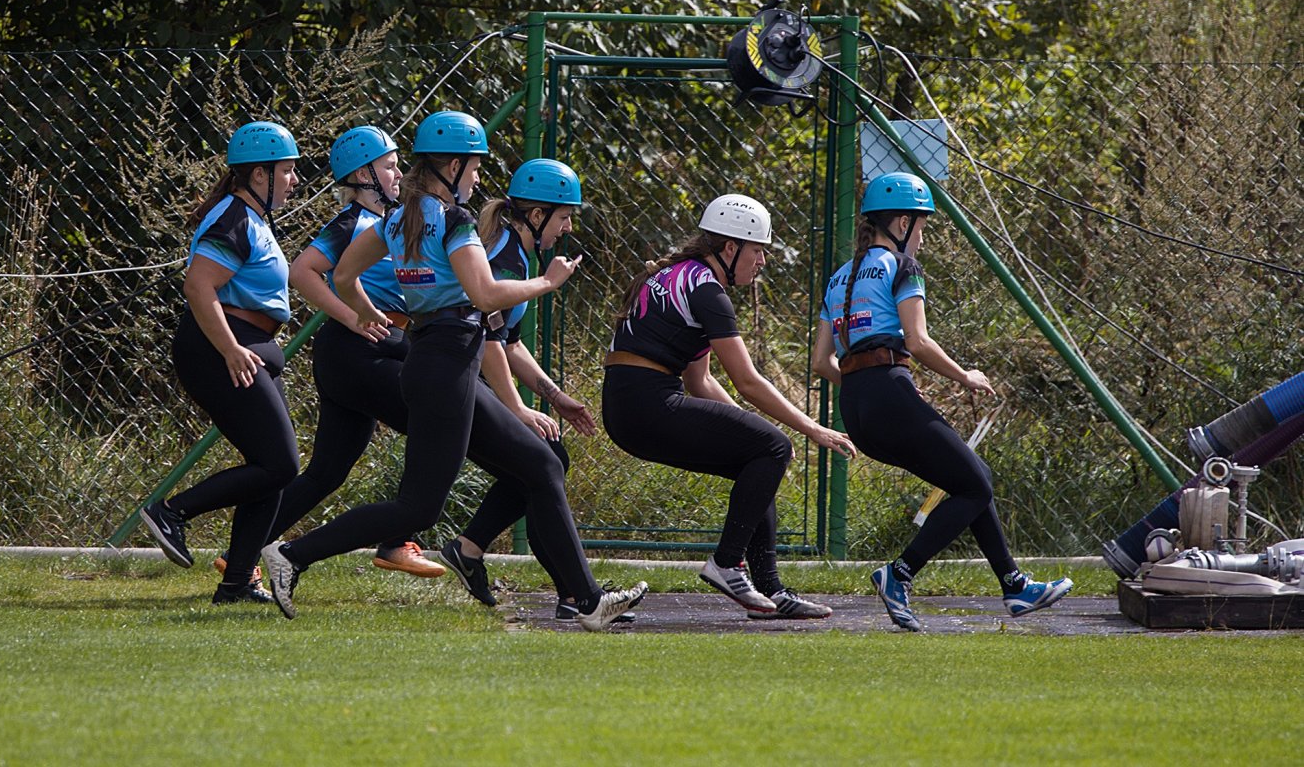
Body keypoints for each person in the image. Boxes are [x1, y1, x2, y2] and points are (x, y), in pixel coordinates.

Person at [260, 112, 647, 631]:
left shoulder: (399, 217)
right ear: (453, 165)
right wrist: (548, 283)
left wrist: (364, 313)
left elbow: (345, 274)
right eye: (475, 167)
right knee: (418, 508)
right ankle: (292, 555)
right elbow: (485, 295)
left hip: (435, 357)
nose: (478, 178)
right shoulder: (453, 218)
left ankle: (588, 601)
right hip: (447, 361)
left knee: (541, 464)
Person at [811, 171, 1072, 631]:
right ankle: (900, 574)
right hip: (889, 393)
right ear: (902, 223)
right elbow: (918, 341)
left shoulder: (838, 278)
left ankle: (1014, 585)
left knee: (974, 477)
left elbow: (820, 362)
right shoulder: (903, 267)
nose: (923, 237)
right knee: (975, 486)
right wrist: (965, 376)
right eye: (922, 226)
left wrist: (865, 385)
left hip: (857, 407)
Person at [603, 193, 857, 620]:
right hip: (647, 403)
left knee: (761, 453)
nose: (762, 262)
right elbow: (747, 381)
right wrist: (813, 429)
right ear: (730, 247)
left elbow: (700, 381)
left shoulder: (680, 275)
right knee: (771, 447)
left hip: (628, 407)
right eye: (757, 251)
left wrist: (756, 433)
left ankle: (771, 591)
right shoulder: (707, 290)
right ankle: (727, 563)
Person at [225, 125, 444, 595]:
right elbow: (303, 271)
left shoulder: (393, 219)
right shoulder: (352, 223)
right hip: (361, 348)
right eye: (389, 166)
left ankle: (242, 553)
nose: (399, 173)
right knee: (438, 422)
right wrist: (352, 316)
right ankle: (396, 540)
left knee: (327, 471)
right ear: (363, 175)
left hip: (371, 347)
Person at [437, 158, 610, 620]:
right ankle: (578, 595)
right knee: (543, 463)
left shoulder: (515, 250)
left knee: (545, 461)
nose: (568, 228)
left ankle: (477, 552)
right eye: (564, 217)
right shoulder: (508, 256)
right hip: (458, 381)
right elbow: (486, 336)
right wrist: (516, 408)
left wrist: (555, 397)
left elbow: (510, 342)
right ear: (536, 215)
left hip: (468, 377)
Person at [139, 121, 302, 604]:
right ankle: (172, 511)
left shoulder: (253, 218)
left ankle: (236, 583)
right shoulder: (233, 217)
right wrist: (231, 349)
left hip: (246, 346)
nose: (294, 180)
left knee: (270, 468)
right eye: (287, 171)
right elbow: (198, 285)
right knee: (281, 464)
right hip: (220, 348)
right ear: (259, 175)